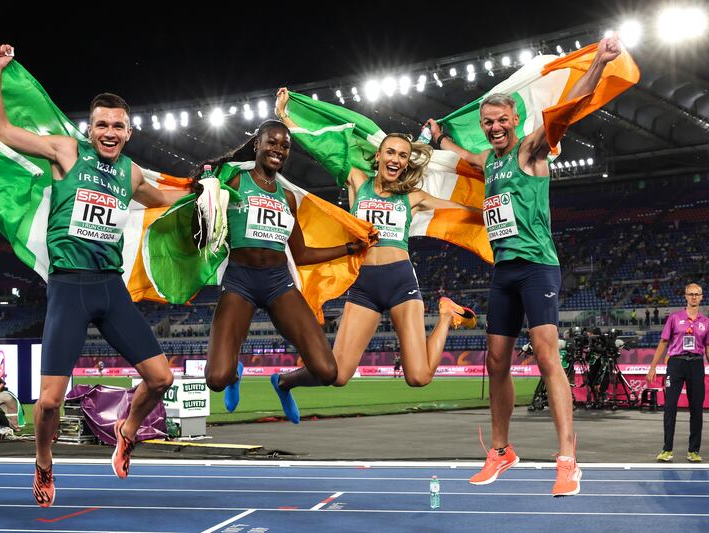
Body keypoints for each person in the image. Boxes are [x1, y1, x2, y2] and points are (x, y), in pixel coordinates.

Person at [0, 44, 197, 508]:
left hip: (108, 288)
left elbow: (162, 200)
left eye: (118, 125)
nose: (110, 131)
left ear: (129, 131)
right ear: (90, 128)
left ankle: (127, 429)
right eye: (102, 123)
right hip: (68, 289)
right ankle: (43, 461)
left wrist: (206, 191)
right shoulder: (64, 152)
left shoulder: (131, 173)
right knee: (51, 403)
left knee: (161, 380)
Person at [428, 36, 622, 496]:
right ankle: (501, 451)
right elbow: (463, 155)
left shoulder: (531, 150)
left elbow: (569, 109)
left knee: (547, 358)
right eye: (488, 123)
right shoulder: (490, 161)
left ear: (516, 118)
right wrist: (440, 138)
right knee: (495, 360)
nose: (495, 128)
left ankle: (568, 459)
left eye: (501, 120)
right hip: (504, 272)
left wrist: (596, 63)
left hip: (537, 267)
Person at [273, 88, 478, 420]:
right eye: (390, 153)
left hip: (400, 284)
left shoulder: (414, 197)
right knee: (337, 375)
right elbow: (322, 148)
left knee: (419, 377)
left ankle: (445, 314)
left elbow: (460, 210)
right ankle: (283, 381)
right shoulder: (357, 182)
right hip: (365, 286)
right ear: (379, 156)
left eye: (402, 155)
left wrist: (495, 210)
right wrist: (286, 117)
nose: (396, 159)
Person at [201, 120, 371, 421]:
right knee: (216, 378)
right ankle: (234, 375)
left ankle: (284, 382)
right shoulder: (235, 181)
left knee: (327, 370)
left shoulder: (288, 197)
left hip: (279, 283)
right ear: (257, 144)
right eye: (272, 142)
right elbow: (204, 208)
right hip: (240, 281)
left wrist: (349, 249)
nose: (278, 149)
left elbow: (301, 253)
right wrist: (205, 184)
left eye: (285, 146)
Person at [647, 283, 708, 463]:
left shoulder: (706, 322)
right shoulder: (674, 318)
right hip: (675, 364)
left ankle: (694, 451)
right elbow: (663, 343)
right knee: (670, 407)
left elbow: (708, 347)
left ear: (702, 297)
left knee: (697, 409)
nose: (694, 297)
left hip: (696, 365)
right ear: (685, 296)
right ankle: (667, 450)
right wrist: (652, 366)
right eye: (691, 294)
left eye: (697, 294)